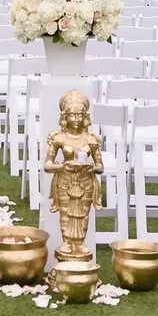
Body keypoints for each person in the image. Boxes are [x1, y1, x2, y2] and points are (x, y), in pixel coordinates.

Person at [45, 89, 105, 260]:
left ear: (85, 116)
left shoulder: (91, 139)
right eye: (72, 115)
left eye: (80, 115)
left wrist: (92, 168)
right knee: (66, 214)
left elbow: (100, 166)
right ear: (65, 117)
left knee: (83, 215)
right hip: (65, 180)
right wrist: (63, 166)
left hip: (85, 181)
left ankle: (79, 243)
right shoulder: (59, 138)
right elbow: (48, 165)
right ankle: (66, 242)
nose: (76, 120)